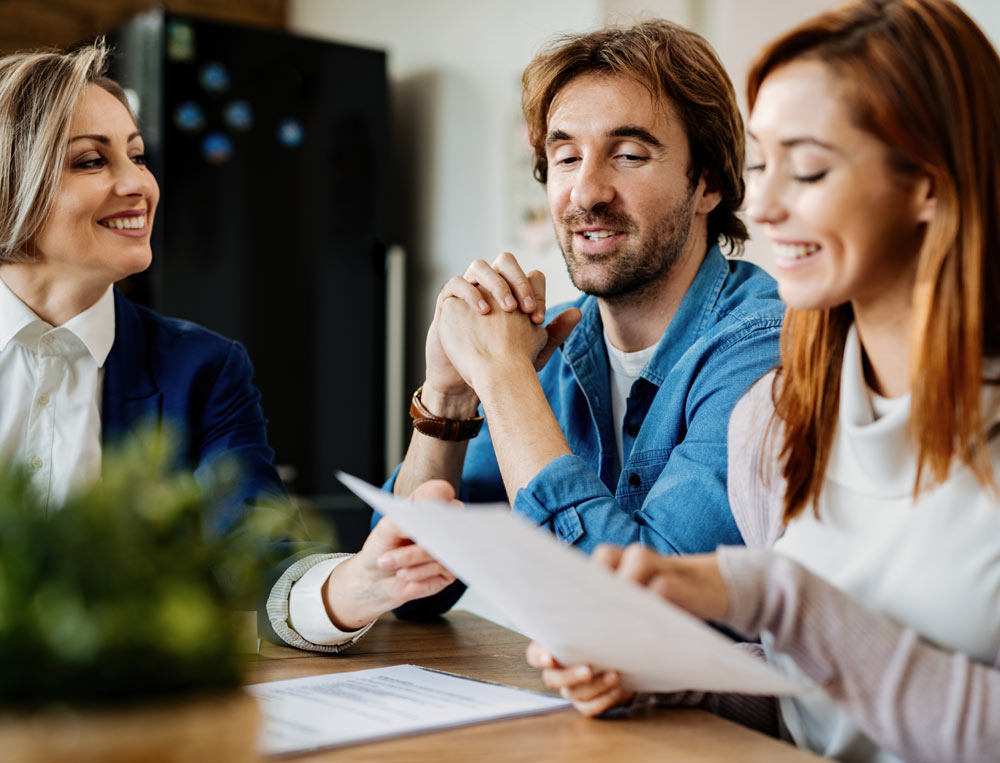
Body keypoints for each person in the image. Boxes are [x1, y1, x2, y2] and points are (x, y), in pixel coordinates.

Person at [526, 1, 1000, 760]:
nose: (769, 208)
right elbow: (815, 706)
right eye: (762, 166)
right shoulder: (775, 422)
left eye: (809, 168)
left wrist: (787, 602)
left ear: (931, 184)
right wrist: (675, 679)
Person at [0, 42, 454, 653]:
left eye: (137, 156)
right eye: (91, 161)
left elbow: (261, 561)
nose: (138, 184)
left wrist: (354, 587)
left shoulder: (203, 368)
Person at [381, 20, 785, 618]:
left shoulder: (763, 350)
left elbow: (631, 618)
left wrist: (502, 376)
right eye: (565, 157)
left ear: (708, 184)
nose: (586, 192)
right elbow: (406, 584)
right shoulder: (558, 342)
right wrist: (449, 397)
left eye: (628, 155)